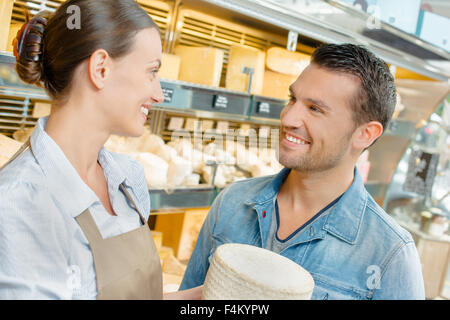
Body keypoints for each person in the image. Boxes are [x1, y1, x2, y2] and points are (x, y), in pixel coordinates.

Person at [180, 43, 425, 299]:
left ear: (365, 134)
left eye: (315, 109)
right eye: (292, 99)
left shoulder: (390, 254)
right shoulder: (232, 203)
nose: (288, 119)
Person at [0, 0, 201, 300]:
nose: (158, 94)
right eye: (152, 72)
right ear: (101, 69)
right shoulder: (19, 206)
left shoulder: (128, 180)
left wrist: (209, 299)